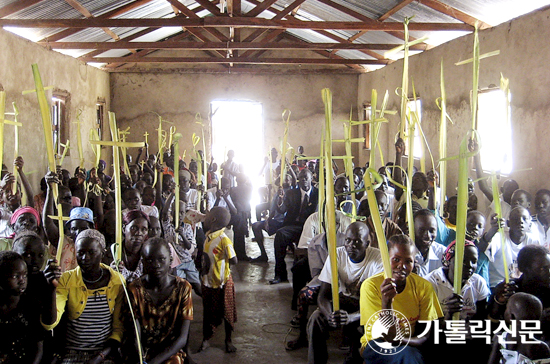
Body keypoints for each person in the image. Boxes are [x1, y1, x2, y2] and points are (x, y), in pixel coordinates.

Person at [42, 229, 125, 363]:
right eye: (81, 253)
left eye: (91, 252)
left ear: (103, 253)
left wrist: (100, 357)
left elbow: (118, 329)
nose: (85, 258)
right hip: (72, 351)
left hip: (104, 352)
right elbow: (49, 324)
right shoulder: (67, 279)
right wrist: (51, 287)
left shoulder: (116, 281)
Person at [306, 222, 383, 363]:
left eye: (358, 241)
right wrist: (330, 315)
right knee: (316, 319)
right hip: (343, 301)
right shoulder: (337, 255)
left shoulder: (378, 260)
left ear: (367, 244)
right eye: (348, 240)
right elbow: (323, 294)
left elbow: (378, 305)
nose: (351, 245)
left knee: (362, 329)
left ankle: (354, 358)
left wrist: (351, 318)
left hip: (366, 307)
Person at [360, 234, 443, 363]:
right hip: (376, 343)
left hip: (409, 343)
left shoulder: (423, 287)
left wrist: (401, 339)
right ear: (386, 259)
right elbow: (385, 335)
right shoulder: (371, 286)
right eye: (396, 259)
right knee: (409, 356)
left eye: (408, 261)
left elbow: (424, 336)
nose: (402, 266)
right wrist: (386, 301)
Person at [125, 238, 193, 364]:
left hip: (170, 350)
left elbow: (182, 337)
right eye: (149, 260)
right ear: (143, 262)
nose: (156, 265)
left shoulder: (183, 288)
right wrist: (141, 358)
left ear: (170, 260)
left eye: (161, 259)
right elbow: (135, 334)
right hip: (143, 351)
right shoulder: (135, 290)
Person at [199, 207, 238, 353]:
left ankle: (228, 340)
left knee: (226, 312)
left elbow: (234, 260)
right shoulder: (208, 236)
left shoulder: (224, 239)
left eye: (208, 215)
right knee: (208, 312)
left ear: (213, 220)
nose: (206, 217)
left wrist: (223, 256)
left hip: (223, 282)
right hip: (208, 281)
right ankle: (206, 339)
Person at [270, 168, 318, 284]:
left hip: (311, 227)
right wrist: (279, 201)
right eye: (301, 178)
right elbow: (282, 210)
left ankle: (312, 277)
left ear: (311, 179)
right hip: (294, 225)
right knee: (280, 235)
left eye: (306, 178)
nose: (303, 180)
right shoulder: (291, 193)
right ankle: (280, 274)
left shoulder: (318, 194)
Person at [0, 251, 48, 363]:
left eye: (25, 275)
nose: (22, 281)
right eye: (15, 276)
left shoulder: (31, 305)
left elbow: (38, 348)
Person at [426, 240, 490, 320]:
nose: (470, 265)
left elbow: (481, 317)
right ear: (448, 261)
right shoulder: (431, 283)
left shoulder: (478, 282)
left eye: (474, 261)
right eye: (463, 261)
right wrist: (448, 315)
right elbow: (429, 324)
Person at [484, 206, 542, 288]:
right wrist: (492, 230)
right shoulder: (499, 237)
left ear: (530, 224)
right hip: (498, 285)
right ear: (508, 223)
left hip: (521, 285)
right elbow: (482, 251)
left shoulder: (533, 242)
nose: (521, 221)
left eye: (524, 219)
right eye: (515, 219)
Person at [488, 245, 550, 319]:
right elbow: (491, 324)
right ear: (523, 268)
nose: (549, 272)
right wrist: (499, 302)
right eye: (542, 268)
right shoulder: (508, 290)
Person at [488, 293, 550, 364]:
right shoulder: (541, 347)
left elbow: (492, 362)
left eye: (507, 308)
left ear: (512, 317)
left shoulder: (500, 338)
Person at [413, 209, 446, 277]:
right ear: (413, 229)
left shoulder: (443, 253)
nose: (427, 235)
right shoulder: (403, 252)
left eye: (431, 230)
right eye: (422, 230)